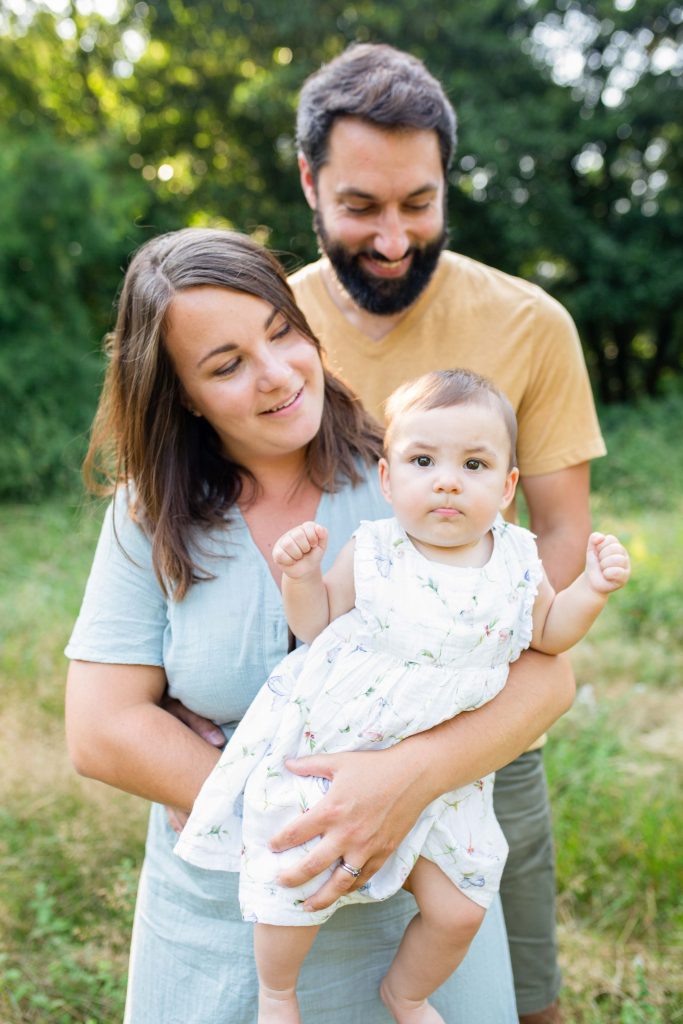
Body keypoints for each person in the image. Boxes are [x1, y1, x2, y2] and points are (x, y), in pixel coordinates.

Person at [64, 227, 575, 1023]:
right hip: (225, 916)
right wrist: (295, 807)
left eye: (281, 333)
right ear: (180, 393)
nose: (275, 377)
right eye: (227, 365)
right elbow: (101, 730)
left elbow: (545, 672)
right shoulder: (149, 516)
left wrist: (404, 783)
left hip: (409, 902)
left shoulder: (411, 477)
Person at [286, 42, 609, 1024]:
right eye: (360, 206)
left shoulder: (529, 323)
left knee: (524, 992)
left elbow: (556, 531)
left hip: (486, 720)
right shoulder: (267, 328)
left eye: (416, 204)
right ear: (307, 182)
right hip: (318, 719)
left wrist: (463, 724)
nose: (392, 238)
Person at [176, 369, 629, 1024]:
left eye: (473, 464)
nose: (447, 480)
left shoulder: (516, 560)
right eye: (423, 461)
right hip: (344, 743)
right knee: (296, 877)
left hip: (452, 773)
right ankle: (278, 993)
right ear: (388, 480)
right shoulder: (376, 548)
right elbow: (315, 625)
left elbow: (550, 637)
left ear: (506, 488)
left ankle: (406, 993)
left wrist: (590, 588)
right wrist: (299, 575)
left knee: (461, 907)